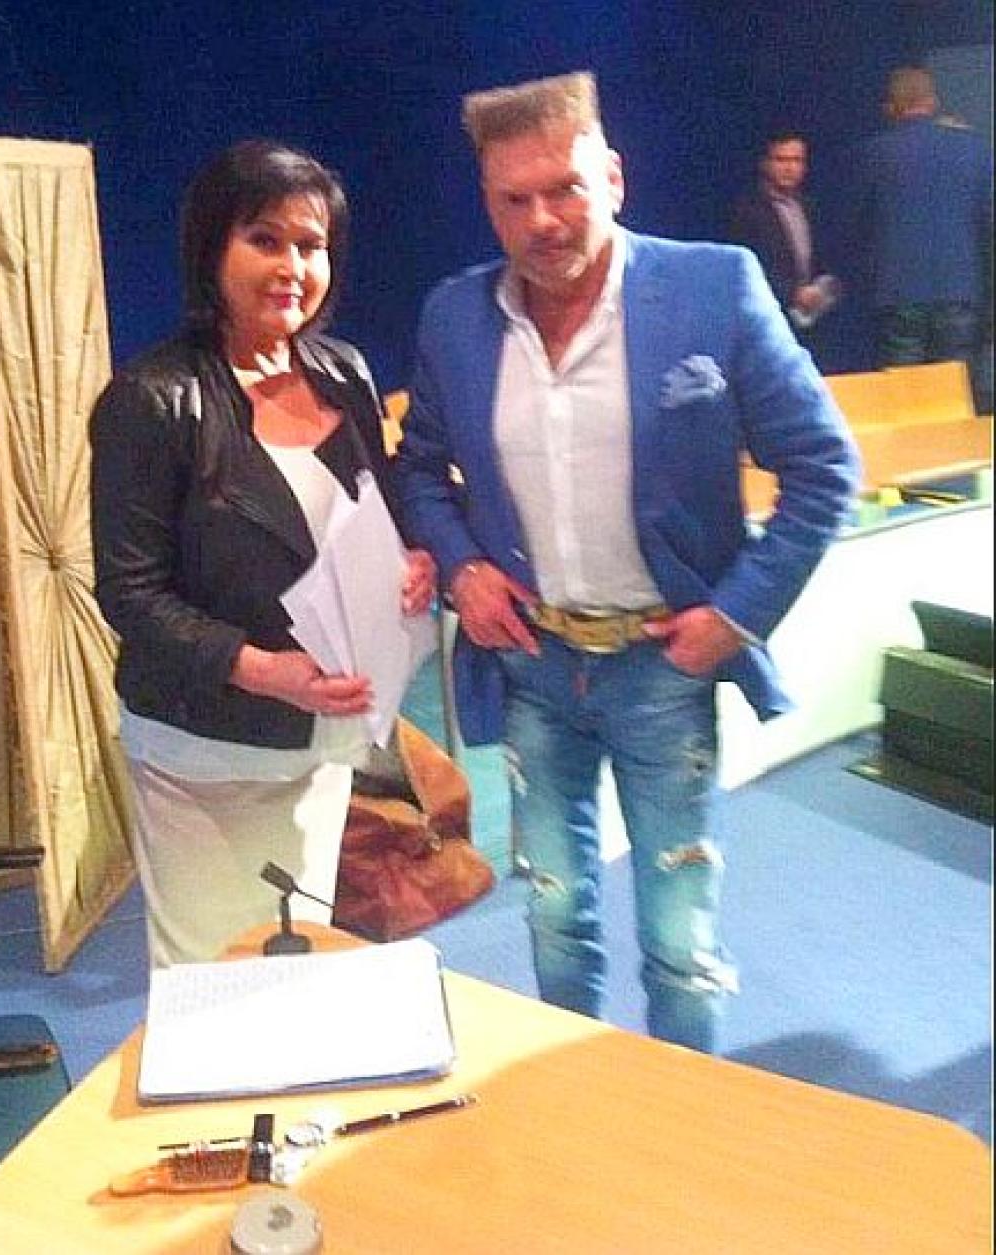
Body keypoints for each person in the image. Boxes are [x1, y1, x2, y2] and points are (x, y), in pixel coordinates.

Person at [396, 72, 859, 1054]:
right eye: (514, 199)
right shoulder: (454, 316)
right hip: (532, 665)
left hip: (662, 667)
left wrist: (736, 614)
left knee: (679, 937)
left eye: (564, 188)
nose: (542, 220)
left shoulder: (713, 287)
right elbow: (420, 470)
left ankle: (682, 1107)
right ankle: (577, 1099)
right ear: (488, 203)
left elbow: (825, 467)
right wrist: (463, 567)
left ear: (611, 175)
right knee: (553, 913)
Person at [90, 140, 435, 966]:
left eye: (311, 245)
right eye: (264, 240)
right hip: (208, 753)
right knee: (213, 974)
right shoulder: (152, 399)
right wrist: (260, 669)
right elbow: (130, 593)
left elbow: (378, 513)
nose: (292, 267)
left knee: (300, 951)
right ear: (212, 249)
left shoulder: (344, 372)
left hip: (325, 738)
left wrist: (413, 562)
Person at [857, 67, 992, 381]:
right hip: (960, 289)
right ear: (933, 102)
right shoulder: (976, 150)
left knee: (906, 393)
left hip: (897, 292)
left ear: (891, 106)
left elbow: (858, 229)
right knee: (955, 390)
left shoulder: (874, 154)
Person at [729, 128, 841, 345]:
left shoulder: (810, 207)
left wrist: (821, 289)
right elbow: (745, 266)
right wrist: (792, 294)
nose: (790, 168)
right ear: (765, 164)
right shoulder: (746, 211)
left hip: (812, 320)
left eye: (797, 160)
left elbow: (822, 258)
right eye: (781, 160)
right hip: (766, 321)